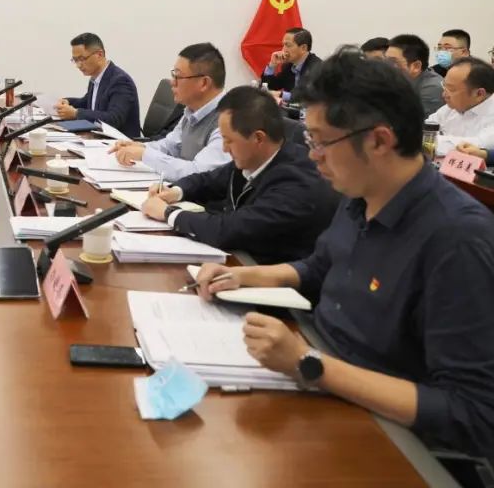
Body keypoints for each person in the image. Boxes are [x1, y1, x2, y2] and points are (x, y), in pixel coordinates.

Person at [192, 53, 494, 464]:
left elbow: (472, 414)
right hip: (320, 380)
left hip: (388, 440)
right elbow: (319, 267)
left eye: (321, 142)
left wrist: (309, 364)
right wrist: (246, 277)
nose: (312, 156)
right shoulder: (360, 195)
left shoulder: (457, 238)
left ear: (379, 141)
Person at [141, 86, 338, 263]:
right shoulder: (253, 159)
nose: (224, 149)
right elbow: (209, 180)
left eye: (229, 140)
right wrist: (175, 192)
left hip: (267, 278)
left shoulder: (296, 182)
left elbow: (230, 229)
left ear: (258, 138)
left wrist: (168, 213)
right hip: (239, 260)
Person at [111, 43, 230, 181]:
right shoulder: (192, 110)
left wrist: (144, 154)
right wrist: (139, 146)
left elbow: (199, 173)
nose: (172, 82)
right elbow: (170, 146)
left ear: (203, 83)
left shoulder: (228, 121)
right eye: (173, 75)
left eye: (178, 76)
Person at [54, 32, 141, 137]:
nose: (78, 65)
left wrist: (76, 113)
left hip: (121, 143)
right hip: (99, 138)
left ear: (99, 55)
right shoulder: (96, 77)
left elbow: (114, 119)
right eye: (75, 60)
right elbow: (87, 102)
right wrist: (67, 101)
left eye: (82, 59)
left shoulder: (120, 81)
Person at [428, 57, 494, 159]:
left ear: (479, 94)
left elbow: (476, 146)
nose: (444, 94)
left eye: (451, 89)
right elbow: (426, 128)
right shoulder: (451, 108)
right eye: (444, 86)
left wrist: (428, 140)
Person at [386, 34, 445, 115]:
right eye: (385, 61)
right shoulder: (397, 81)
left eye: (392, 61)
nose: (385, 65)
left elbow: (413, 121)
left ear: (416, 66)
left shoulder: (433, 87)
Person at [262, 27, 321, 102]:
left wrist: (281, 94)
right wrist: (272, 65)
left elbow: (307, 96)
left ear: (303, 48)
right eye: (283, 45)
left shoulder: (317, 67)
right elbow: (269, 87)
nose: (283, 50)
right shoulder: (288, 66)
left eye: (288, 45)